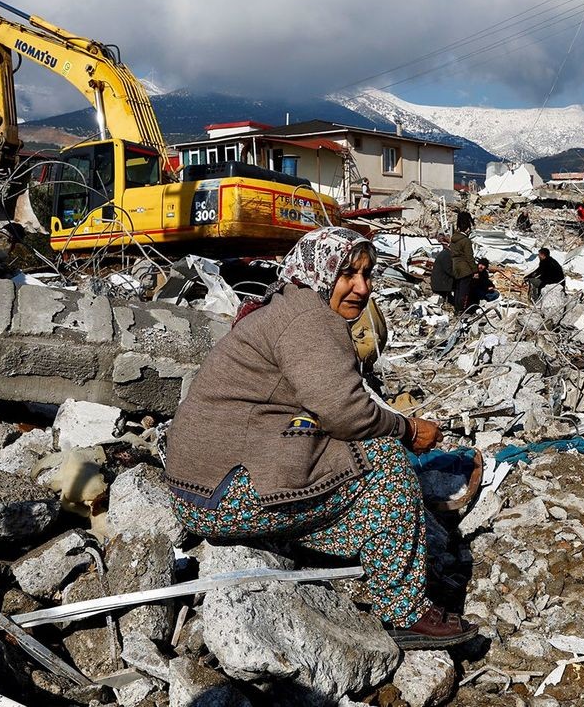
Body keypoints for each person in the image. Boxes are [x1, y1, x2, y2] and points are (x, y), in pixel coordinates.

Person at [164, 227, 477, 649]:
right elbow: (346, 414)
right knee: (382, 461)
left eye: (368, 274)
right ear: (322, 271)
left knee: (337, 457)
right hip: (222, 494)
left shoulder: (287, 304)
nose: (362, 287)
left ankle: (368, 549)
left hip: (199, 488)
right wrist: (408, 430)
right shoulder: (310, 320)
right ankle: (403, 611)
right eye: (348, 274)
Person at [449, 211, 477, 312]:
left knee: (457, 290)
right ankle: (463, 310)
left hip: (455, 267)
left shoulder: (453, 240)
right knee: (464, 291)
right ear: (467, 228)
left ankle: (457, 309)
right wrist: (475, 271)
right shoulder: (466, 241)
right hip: (465, 268)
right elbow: (470, 257)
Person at [430, 241, 454, 306]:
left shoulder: (445, 253)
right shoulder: (447, 255)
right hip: (441, 283)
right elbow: (449, 270)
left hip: (440, 282)